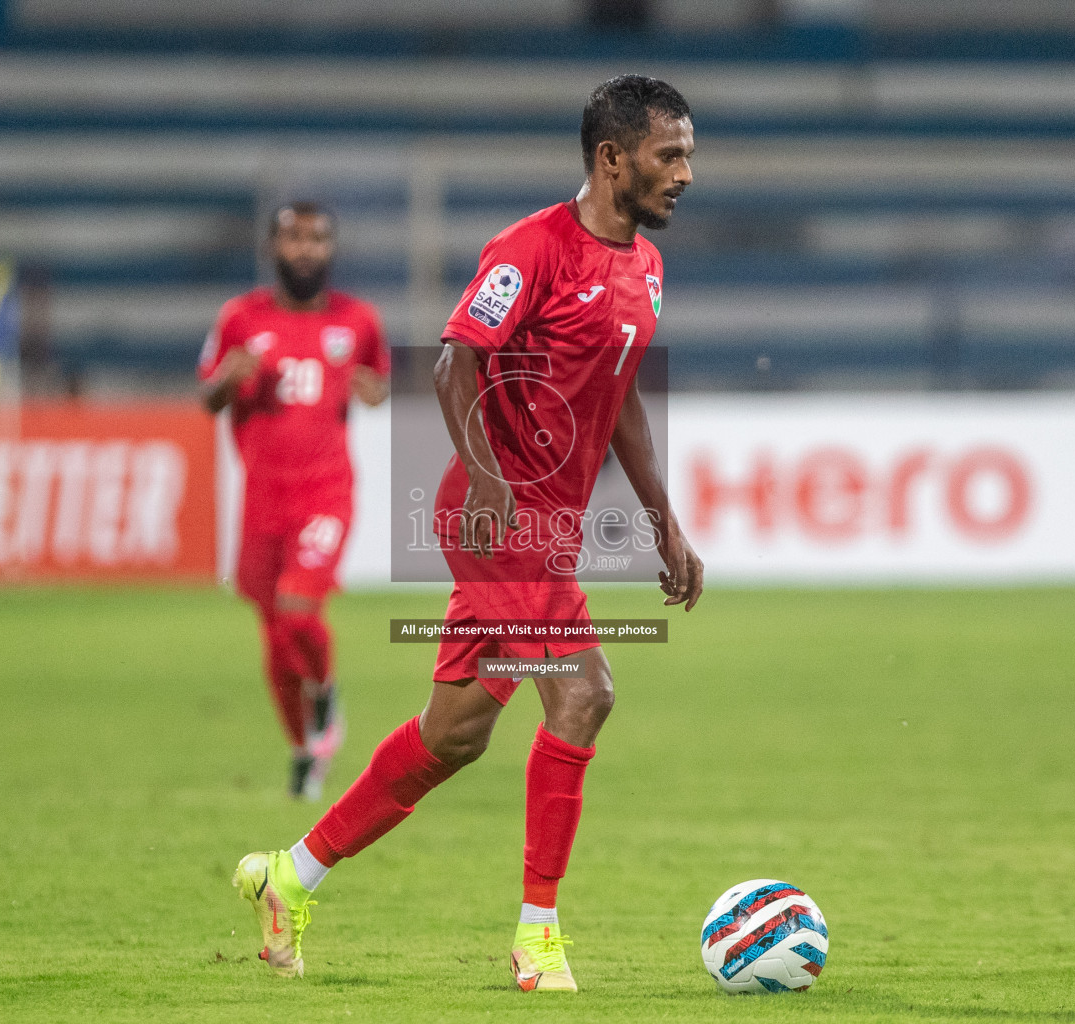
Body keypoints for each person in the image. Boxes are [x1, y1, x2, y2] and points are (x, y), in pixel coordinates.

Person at [233, 75, 703, 992]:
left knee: (453, 735)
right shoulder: (531, 250)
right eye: (669, 154)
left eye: (688, 153)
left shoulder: (645, 269)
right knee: (584, 694)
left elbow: (623, 400)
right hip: (496, 518)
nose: (686, 172)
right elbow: (458, 359)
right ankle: (537, 941)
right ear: (613, 160)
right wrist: (489, 475)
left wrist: (663, 522)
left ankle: (290, 875)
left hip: (549, 530)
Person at [199, 202, 390, 801]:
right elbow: (208, 396)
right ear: (274, 247)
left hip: (326, 493)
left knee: (298, 608)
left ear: (331, 249)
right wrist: (231, 376)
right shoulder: (239, 319)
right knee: (276, 637)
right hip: (261, 499)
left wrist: (372, 388)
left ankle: (327, 691)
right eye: (293, 237)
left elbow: (379, 385)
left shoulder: (358, 320)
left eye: (317, 238)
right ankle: (303, 748)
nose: (305, 248)